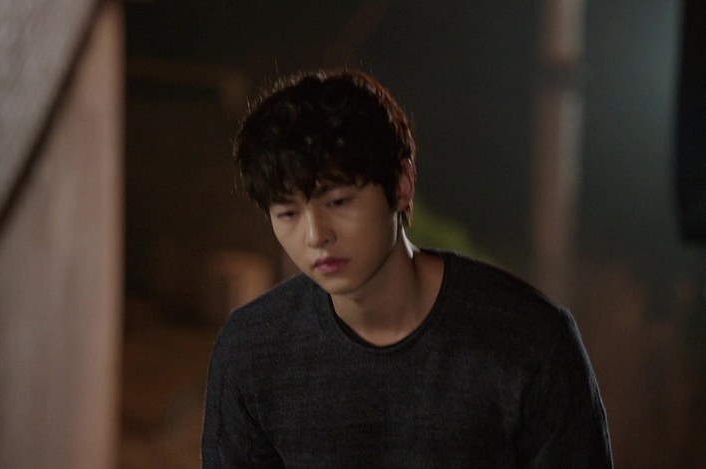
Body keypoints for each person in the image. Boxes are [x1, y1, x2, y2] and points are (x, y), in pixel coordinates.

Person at [201, 68, 612, 468]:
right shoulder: (252, 350)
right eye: (288, 213)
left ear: (401, 184)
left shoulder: (530, 340)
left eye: (338, 202)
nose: (315, 235)